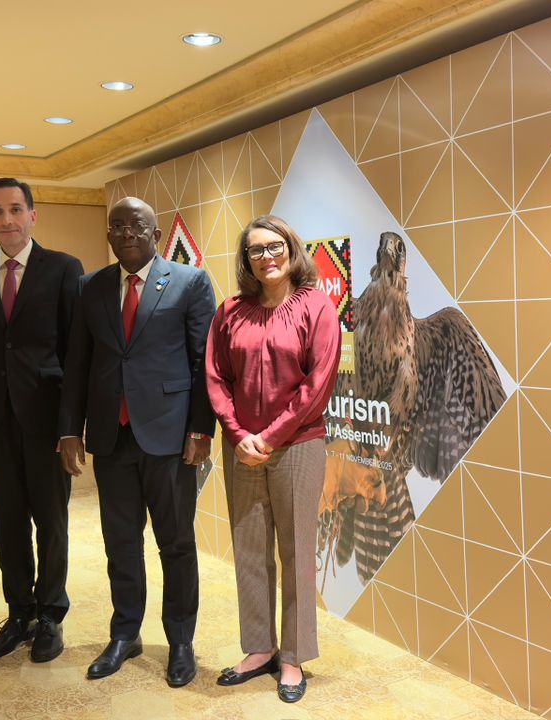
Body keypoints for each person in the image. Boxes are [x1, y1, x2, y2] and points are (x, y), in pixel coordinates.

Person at [58, 196, 216, 688]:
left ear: (155, 233)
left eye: (137, 225)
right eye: (117, 225)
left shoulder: (189, 281)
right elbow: (78, 362)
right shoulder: (90, 286)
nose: (126, 232)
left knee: (176, 543)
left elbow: (203, 362)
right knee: (120, 543)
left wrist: (201, 430)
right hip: (112, 436)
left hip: (170, 436)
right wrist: (70, 429)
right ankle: (125, 634)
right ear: (108, 234)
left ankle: (181, 641)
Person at [205, 215, 341, 703]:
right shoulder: (230, 311)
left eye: (274, 246)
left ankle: (293, 657)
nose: (266, 256)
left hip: (298, 445)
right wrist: (239, 434)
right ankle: (260, 648)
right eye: (256, 249)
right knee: (249, 549)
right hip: (242, 448)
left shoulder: (317, 306)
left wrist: (271, 436)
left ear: (291, 249)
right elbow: (216, 377)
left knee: (296, 551)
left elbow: (317, 382)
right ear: (246, 259)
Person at [0, 178, 83, 663]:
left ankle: (50, 615)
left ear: (32, 214)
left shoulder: (64, 268)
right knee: (8, 521)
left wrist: (70, 427)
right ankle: (19, 613)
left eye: (14, 209)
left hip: (47, 420)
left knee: (51, 521)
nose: (6, 219)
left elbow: (75, 352)